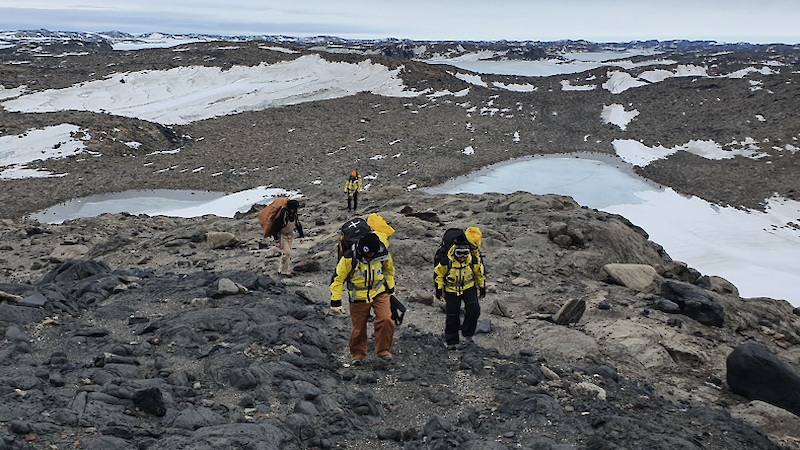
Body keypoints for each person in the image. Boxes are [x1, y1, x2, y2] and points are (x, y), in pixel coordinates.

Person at [330, 232, 396, 364]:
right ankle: (358, 355)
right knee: (358, 327)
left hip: (379, 292)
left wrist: (391, 288)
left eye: (373, 253)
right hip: (358, 296)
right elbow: (338, 279)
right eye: (369, 254)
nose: (371, 256)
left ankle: (383, 351)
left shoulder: (382, 253)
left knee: (386, 319)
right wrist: (336, 301)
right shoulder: (350, 257)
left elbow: (389, 270)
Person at [434, 235, 486, 350]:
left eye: (465, 254)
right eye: (459, 253)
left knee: (474, 311)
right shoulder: (446, 261)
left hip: (469, 288)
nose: (462, 257)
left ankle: (468, 334)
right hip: (451, 290)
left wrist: (482, 288)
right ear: (454, 252)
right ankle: (452, 341)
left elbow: (479, 273)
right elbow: (439, 275)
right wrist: (439, 290)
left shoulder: (473, 260)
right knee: (452, 316)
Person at [270, 199, 304, 277]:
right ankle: (283, 271)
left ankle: (282, 270)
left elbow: (298, 225)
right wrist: (276, 241)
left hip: (290, 235)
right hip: (282, 236)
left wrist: (301, 236)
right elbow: (275, 228)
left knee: (288, 254)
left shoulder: (294, 215)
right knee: (287, 253)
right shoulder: (282, 215)